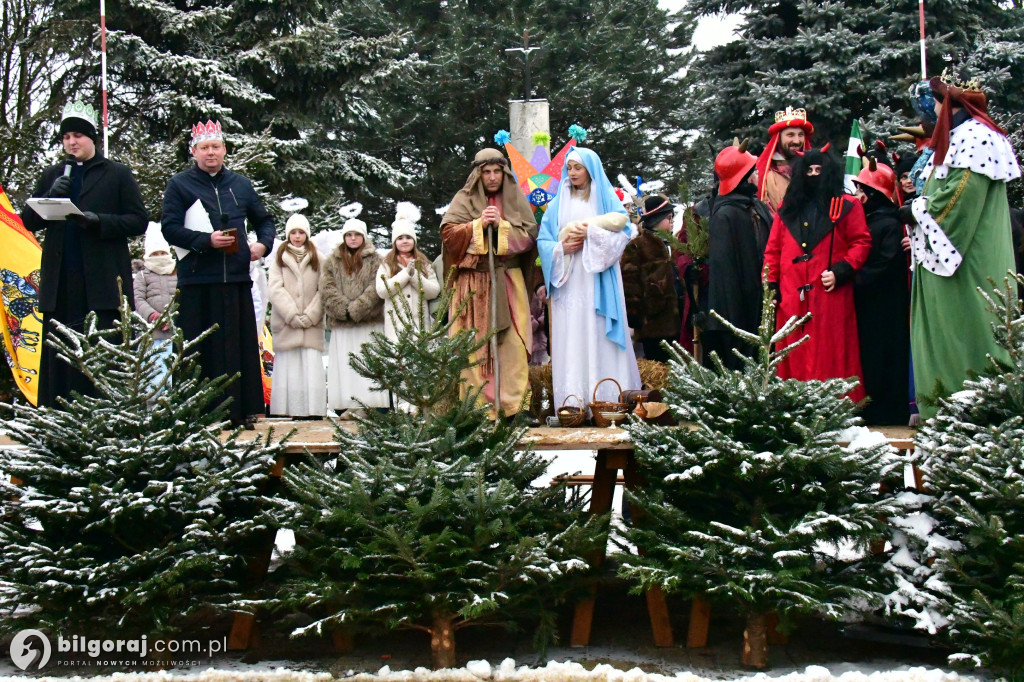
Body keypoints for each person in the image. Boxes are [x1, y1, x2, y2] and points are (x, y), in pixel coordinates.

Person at [904, 68, 1020, 419]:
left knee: (967, 340)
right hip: (946, 267)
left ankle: (972, 418)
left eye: (936, 104)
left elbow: (955, 205)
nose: (932, 114)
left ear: (949, 105)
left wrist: (914, 210)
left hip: (965, 268)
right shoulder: (960, 138)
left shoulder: (974, 139)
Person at [20, 101, 148, 407]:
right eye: (66, 137)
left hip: (101, 282)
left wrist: (99, 220)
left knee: (103, 348)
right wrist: (50, 196)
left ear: (92, 138)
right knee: (61, 351)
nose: (71, 142)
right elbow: (28, 221)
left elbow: (138, 220)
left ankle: (106, 415)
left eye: (77, 135)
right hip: (61, 280)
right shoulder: (53, 174)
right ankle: (58, 414)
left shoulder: (116, 173)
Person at [161, 120, 274, 428]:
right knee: (199, 348)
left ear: (224, 150)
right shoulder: (180, 184)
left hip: (236, 278)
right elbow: (169, 228)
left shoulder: (240, 184)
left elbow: (265, 220)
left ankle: (241, 411)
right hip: (198, 279)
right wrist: (205, 241)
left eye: (216, 147)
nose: (211, 153)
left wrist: (263, 245)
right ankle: (195, 412)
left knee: (238, 347)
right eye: (204, 148)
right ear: (193, 152)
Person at [537, 147, 641, 416]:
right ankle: (574, 401)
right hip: (570, 280)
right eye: (569, 168)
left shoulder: (604, 197)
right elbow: (544, 241)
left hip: (597, 280)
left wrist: (592, 233)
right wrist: (561, 250)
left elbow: (623, 231)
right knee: (572, 334)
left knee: (598, 332)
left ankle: (608, 400)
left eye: (577, 168)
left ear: (590, 170)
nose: (572, 173)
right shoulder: (558, 201)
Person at [763, 146, 872, 402]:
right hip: (791, 296)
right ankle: (794, 404)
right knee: (793, 351)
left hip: (829, 294)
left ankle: (838, 406)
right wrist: (771, 285)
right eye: (809, 170)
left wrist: (842, 270)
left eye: (818, 170)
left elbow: (861, 241)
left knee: (831, 350)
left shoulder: (847, 206)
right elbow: (773, 251)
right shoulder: (786, 209)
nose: (814, 175)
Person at [440, 149, 537, 417]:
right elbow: (449, 236)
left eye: (497, 171)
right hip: (472, 284)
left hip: (508, 281)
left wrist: (503, 227)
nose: (492, 177)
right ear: (477, 174)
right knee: (474, 346)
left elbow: (529, 237)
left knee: (513, 345)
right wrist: (477, 225)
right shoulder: (463, 199)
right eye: (486, 172)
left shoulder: (515, 198)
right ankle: (478, 409)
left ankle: (515, 408)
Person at [851, 161, 911, 425]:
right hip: (874, 302)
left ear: (872, 193)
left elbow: (883, 264)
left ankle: (885, 411)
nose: (857, 196)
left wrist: (853, 280)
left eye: (861, 190)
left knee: (883, 356)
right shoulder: (878, 221)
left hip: (883, 304)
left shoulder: (886, 223)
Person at [704, 141, 772, 370]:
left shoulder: (757, 207)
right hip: (738, 310)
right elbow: (725, 274)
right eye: (752, 171)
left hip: (762, 299)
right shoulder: (725, 215)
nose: (756, 175)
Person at [321, 218, 387, 415]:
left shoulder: (376, 259)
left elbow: (377, 287)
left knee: (367, 362)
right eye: (349, 235)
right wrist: (344, 308)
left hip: (368, 322)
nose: (352, 238)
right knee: (346, 365)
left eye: (357, 234)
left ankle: (370, 405)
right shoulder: (332, 260)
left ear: (363, 236)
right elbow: (327, 288)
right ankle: (347, 405)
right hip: (343, 323)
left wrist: (358, 307)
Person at [267, 213, 326, 418]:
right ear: (288, 234)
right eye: (293, 232)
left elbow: (324, 289)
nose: (297, 236)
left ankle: (313, 410)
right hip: (287, 323)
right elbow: (275, 289)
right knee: (288, 367)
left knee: (311, 366)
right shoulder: (278, 259)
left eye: (301, 232)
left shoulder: (319, 258)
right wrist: (292, 314)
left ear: (307, 234)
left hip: (312, 324)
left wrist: (311, 315)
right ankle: (285, 410)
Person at [620, 195, 683, 363]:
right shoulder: (637, 247)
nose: (672, 222)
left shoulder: (675, 245)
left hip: (678, 323)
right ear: (657, 219)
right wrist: (636, 316)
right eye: (669, 218)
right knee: (658, 369)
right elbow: (629, 286)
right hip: (653, 325)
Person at [375, 202, 440, 342]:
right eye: (400, 238)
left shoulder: (424, 263)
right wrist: (405, 274)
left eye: (408, 237)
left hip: (421, 329)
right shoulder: (386, 264)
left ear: (414, 241)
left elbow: (433, 291)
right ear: (394, 242)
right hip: (396, 332)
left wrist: (415, 276)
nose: (405, 241)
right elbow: (382, 291)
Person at [132, 223, 177, 393]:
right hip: (152, 333)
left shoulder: (177, 272)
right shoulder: (143, 275)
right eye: (154, 253)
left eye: (162, 253)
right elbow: (138, 299)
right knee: (155, 371)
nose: (159, 256)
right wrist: (153, 316)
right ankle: (154, 402)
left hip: (175, 332)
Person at [756, 106, 814, 216]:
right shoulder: (765, 175)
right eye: (790, 135)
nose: (797, 141)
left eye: (800, 135)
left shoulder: (814, 170)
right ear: (778, 138)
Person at [529, 283, 549, 366]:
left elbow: (545, 319)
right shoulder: (534, 303)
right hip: (535, 342)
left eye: (543, 292)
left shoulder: (548, 306)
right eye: (539, 295)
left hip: (544, 342)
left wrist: (537, 322)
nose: (542, 295)